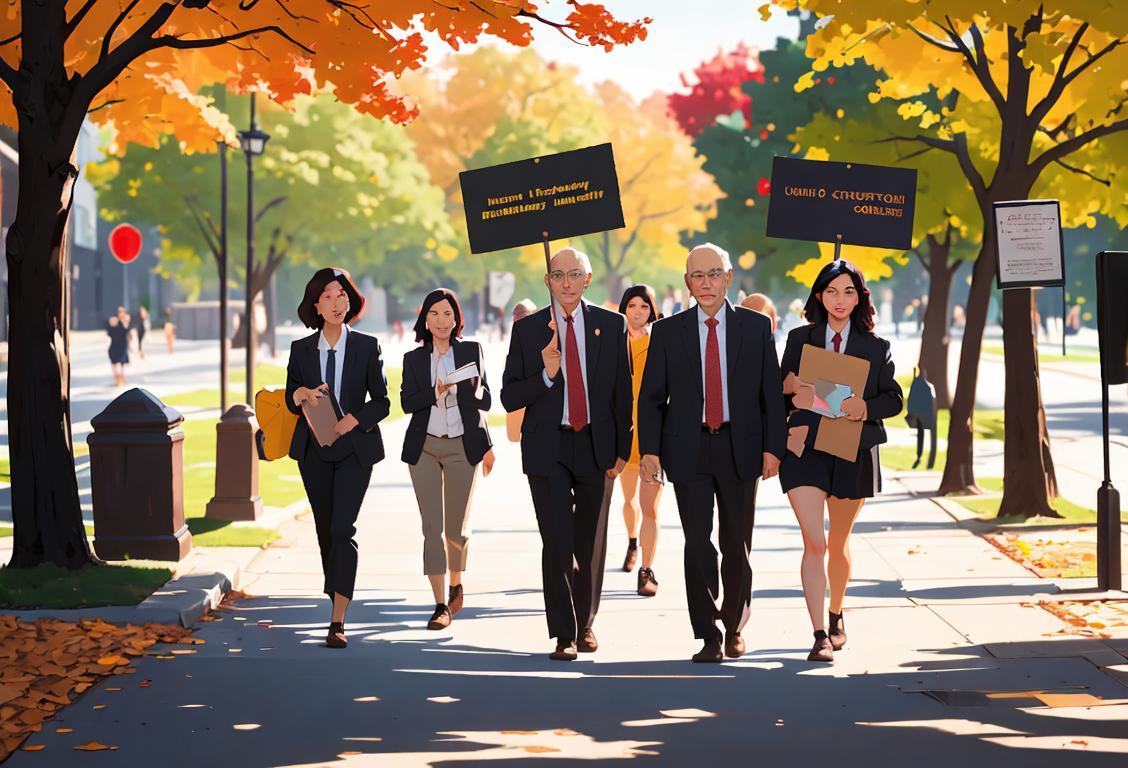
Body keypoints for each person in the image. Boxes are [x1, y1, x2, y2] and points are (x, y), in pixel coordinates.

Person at [638, 243, 786, 663]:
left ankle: (735, 623)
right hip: (688, 449)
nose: (706, 283)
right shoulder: (668, 332)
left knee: (736, 542)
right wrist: (650, 451)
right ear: (687, 282)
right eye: (697, 276)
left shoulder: (756, 328)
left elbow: (770, 395)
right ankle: (708, 634)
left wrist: (773, 447)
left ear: (728, 278)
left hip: (741, 448)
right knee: (697, 544)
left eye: (714, 274)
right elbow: (650, 398)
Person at [501, 247, 632, 661]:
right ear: (548, 282)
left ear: (588, 279)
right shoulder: (528, 330)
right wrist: (545, 374)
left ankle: (586, 622)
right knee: (556, 540)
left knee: (589, 542)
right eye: (558, 275)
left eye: (574, 274)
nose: (567, 282)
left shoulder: (612, 325)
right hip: (548, 446)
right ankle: (564, 633)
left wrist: (622, 449)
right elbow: (508, 396)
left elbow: (621, 393)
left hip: (596, 444)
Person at [779, 259, 903, 663]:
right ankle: (818, 634)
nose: (840, 299)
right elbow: (780, 395)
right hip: (806, 448)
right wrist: (789, 387)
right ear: (819, 296)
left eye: (849, 291)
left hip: (853, 451)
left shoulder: (875, 347)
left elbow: (894, 399)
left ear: (859, 297)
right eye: (832, 291)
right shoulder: (799, 340)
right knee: (814, 541)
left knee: (837, 542)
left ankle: (836, 614)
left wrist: (862, 406)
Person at [285, 267, 390, 649]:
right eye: (327, 295)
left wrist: (353, 420)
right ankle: (337, 592)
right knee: (325, 530)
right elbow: (289, 394)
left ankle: (337, 619)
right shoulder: (301, 349)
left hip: (354, 451)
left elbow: (382, 402)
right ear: (316, 304)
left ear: (350, 301)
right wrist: (300, 395)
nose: (336, 302)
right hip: (313, 451)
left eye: (341, 294)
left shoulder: (366, 346)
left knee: (343, 528)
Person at [401, 289, 495, 632]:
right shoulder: (414, 359)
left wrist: (464, 389)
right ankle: (440, 603)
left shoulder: (471, 351)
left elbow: (485, 398)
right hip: (424, 447)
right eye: (436, 314)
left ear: (457, 319)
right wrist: (435, 392)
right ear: (425, 319)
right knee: (432, 528)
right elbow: (407, 403)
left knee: (456, 529)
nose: (442, 321)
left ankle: (456, 581)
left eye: (448, 314)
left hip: (461, 447)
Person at [615, 284, 663, 596]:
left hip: (652, 437)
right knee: (628, 500)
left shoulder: (660, 342)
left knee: (651, 508)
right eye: (632, 306)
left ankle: (646, 569)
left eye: (644, 306)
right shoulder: (613, 342)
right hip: (621, 434)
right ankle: (632, 539)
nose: (638, 312)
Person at [106, 306, 131, 386]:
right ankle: (118, 381)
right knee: (115, 365)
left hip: (122, 347)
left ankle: (121, 381)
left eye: (122, 311)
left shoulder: (125, 321)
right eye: (119, 312)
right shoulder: (114, 321)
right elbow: (108, 333)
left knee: (120, 365)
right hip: (114, 347)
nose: (121, 313)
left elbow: (127, 331)